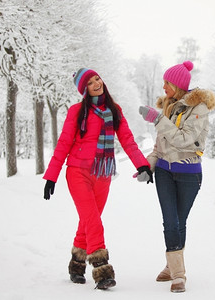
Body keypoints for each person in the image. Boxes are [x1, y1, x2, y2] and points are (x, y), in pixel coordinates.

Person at [43, 67, 153, 290]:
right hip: (77, 172)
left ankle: (76, 264)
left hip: (102, 174)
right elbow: (63, 144)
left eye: (97, 78)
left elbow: (128, 141)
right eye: (90, 82)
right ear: (84, 90)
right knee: (93, 221)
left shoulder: (114, 110)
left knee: (87, 221)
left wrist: (142, 164)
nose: (96, 83)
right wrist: (51, 176)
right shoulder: (77, 111)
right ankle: (102, 270)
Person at [139, 61, 215, 293]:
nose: (163, 87)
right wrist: (148, 166)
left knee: (179, 221)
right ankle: (178, 275)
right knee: (169, 221)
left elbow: (185, 140)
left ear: (177, 84)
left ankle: (171, 266)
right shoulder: (168, 108)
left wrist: (157, 120)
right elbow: (160, 145)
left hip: (188, 173)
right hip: (164, 172)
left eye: (166, 83)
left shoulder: (198, 108)